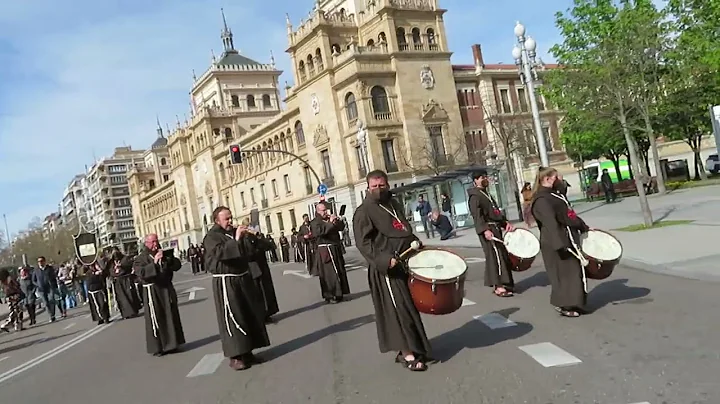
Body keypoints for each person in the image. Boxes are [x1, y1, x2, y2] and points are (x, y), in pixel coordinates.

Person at [353, 170, 432, 372]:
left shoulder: (394, 204)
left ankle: (413, 347)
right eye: (374, 186)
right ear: (368, 188)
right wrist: (383, 259)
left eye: (382, 186)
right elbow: (364, 243)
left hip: (403, 264)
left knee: (407, 309)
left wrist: (414, 241)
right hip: (386, 270)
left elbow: (401, 229)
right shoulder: (364, 211)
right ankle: (407, 354)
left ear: (387, 185)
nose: (378, 189)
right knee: (398, 311)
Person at [202, 207, 270, 371]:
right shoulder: (211, 237)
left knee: (248, 314)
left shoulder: (233, 232)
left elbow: (251, 251)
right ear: (217, 221)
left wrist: (253, 237)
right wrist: (237, 239)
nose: (231, 221)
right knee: (233, 317)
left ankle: (248, 352)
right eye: (227, 219)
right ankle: (236, 356)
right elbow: (221, 253)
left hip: (243, 277)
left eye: (231, 218)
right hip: (226, 281)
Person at [531, 166, 591, 318]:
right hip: (555, 241)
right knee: (562, 274)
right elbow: (550, 222)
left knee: (574, 272)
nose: (561, 180)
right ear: (547, 179)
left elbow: (569, 215)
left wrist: (583, 227)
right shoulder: (541, 199)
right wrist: (560, 243)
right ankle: (564, 305)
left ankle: (577, 303)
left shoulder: (554, 195)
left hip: (568, 237)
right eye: (557, 177)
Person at [133, 234, 185, 356]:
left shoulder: (163, 253)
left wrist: (170, 259)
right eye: (152, 242)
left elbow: (176, 266)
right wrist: (155, 262)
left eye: (156, 241)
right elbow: (141, 272)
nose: (155, 244)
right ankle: (159, 347)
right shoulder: (140, 258)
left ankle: (173, 343)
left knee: (170, 315)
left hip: (166, 288)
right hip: (152, 291)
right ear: (146, 243)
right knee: (156, 317)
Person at [467, 169, 515, 297]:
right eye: (482, 177)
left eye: (485, 176)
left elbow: (494, 212)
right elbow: (477, 216)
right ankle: (498, 286)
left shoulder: (485, 194)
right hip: (488, 229)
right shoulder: (475, 196)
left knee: (501, 255)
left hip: (495, 227)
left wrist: (505, 223)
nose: (485, 179)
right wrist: (484, 230)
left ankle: (504, 282)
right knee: (494, 256)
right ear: (475, 180)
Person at [239, 218, 279, 323]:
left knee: (266, 291)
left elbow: (270, 246)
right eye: (249, 227)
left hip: (262, 266)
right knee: (258, 292)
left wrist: (259, 236)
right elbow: (248, 253)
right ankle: (261, 315)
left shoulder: (256, 237)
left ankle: (268, 313)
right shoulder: (243, 239)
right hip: (253, 269)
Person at [310, 202, 350, 304]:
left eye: (326, 210)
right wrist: (330, 223)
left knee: (339, 270)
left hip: (335, 248)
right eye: (323, 210)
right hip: (325, 249)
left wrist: (337, 221)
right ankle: (330, 295)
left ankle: (340, 293)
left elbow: (340, 228)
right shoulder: (315, 222)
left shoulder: (328, 219)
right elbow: (319, 232)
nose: (325, 212)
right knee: (328, 274)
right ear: (318, 211)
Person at [110, 248, 141, 319]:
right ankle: (125, 314)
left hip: (126, 280)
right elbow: (110, 271)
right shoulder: (111, 262)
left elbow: (128, 265)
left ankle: (133, 311)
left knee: (130, 295)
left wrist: (121, 266)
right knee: (122, 298)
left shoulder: (125, 258)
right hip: (118, 282)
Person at [32, 256, 66, 321]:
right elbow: (33, 280)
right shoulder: (36, 270)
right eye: (39, 261)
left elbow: (54, 277)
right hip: (41, 289)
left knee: (51, 300)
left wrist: (55, 285)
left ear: (44, 261)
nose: (40, 263)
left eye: (41, 261)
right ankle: (51, 315)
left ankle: (53, 315)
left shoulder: (49, 269)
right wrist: (38, 285)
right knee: (46, 303)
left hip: (50, 288)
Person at [1, 268, 25, 332]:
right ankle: (8, 324)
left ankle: (17, 325)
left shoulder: (2, 281)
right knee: (17, 311)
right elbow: (16, 286)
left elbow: (4, 290)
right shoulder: (10, 279)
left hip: (8, 297)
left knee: (14, 310)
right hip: (14, 295)